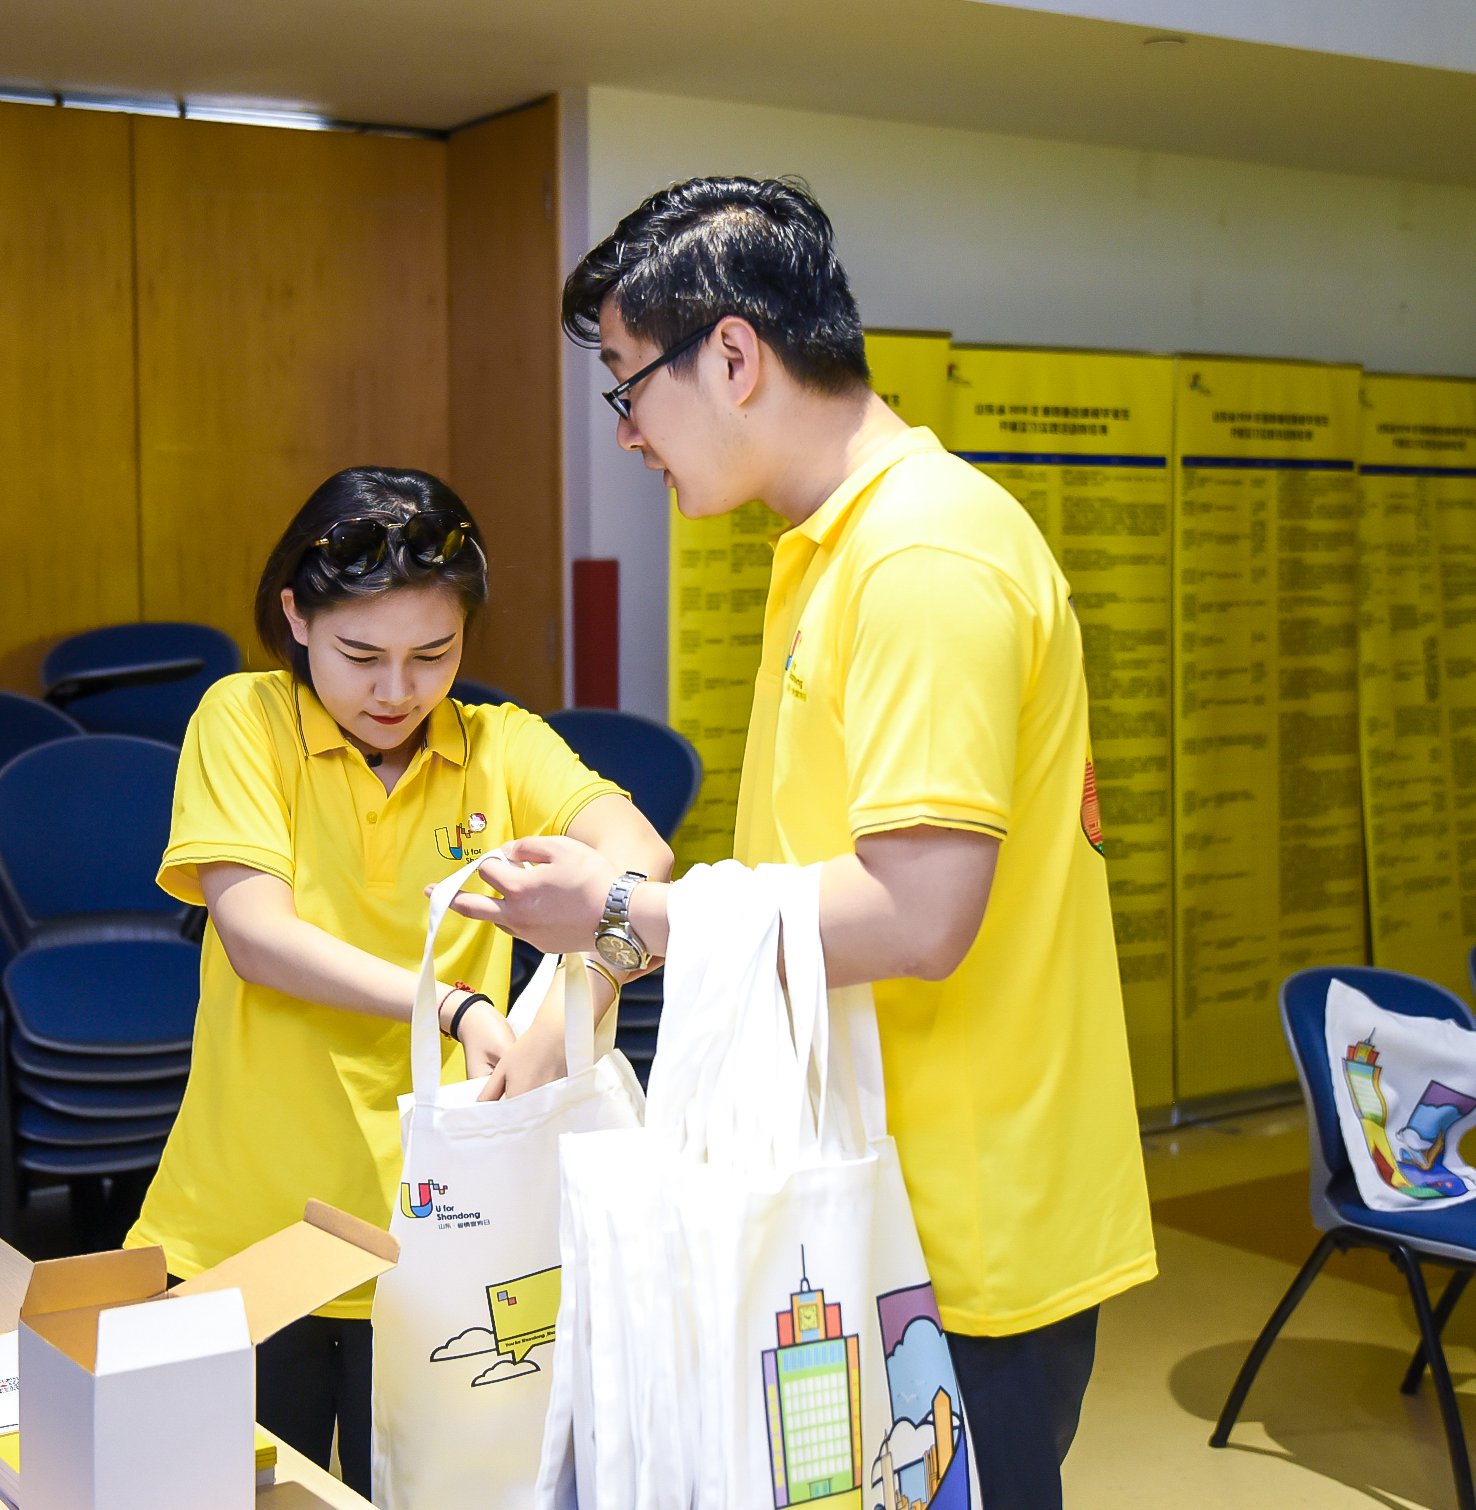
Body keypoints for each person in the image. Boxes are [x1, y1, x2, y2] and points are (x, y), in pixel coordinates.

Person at [448, 178, 1156, 1509]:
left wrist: (626, 914)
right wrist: (601, 954)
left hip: (958, 1225)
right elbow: (804, 872)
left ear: (731, 355)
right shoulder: (831, 548)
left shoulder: (923, 557)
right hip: (864, 1192)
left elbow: (917, 914)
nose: (626, 434)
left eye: (626, 385)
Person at [126, 467, 672, 1496]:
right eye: (360, 655)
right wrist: (458, 1007)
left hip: (440, 1244)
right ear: (296, 617)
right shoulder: (244, 719)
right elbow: (256, 935)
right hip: (249, 1226)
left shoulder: (499, 745)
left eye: (433, 655)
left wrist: (571, 1007)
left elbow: (642, 860)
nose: (395, 691)